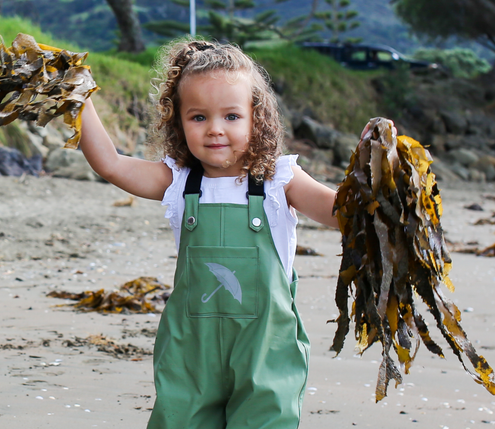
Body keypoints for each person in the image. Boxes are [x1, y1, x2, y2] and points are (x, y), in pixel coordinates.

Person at [79, 38, 339, 429]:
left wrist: (383, 184)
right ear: (178, 121)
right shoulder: (178, 182)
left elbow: (341, 213)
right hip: (190, 351)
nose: (215, 129)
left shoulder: (279, 181)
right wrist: (79, 95)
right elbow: (112, 165)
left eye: (231, 116)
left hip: (266, 350)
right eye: (198, 117)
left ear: (257, 117)